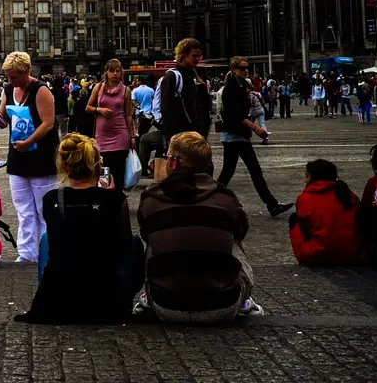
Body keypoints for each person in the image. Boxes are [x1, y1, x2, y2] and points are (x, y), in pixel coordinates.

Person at [14, 134, 142, 324]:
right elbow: (123, 244)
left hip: (57, 296)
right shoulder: (115, 200)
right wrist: (108, 197)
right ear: (97, 166)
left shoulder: (51, 199)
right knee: (135, 242)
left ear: (64, 166)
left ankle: (48, 287)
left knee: (47, 240)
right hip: (105, 296)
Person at [136, 132, 264, 322]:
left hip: (166, 304)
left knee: (153, 241)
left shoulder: (151, 199)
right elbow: (241, 232)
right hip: (223, 305)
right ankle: (243, 298)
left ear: (174, 163)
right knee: (233, 240)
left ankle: (149, 296)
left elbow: (146, 235)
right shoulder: (226, 198)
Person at [0, 52, 60, 263]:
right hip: (18, 156)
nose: (10, 80)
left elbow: (48, 123)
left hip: (41, 156)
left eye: (14, 76)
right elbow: (3, 120)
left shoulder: (41, 90)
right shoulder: (8, 89)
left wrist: (28, 142)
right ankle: (26, 253)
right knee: (23, 210)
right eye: (8, 76)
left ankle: (47, 251)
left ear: (27, 71)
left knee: (44, 210)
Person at [217, 57, 293, 218]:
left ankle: (272, 205)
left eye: (247, 68)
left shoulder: (243, 87)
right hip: (232, 135)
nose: (246, 71)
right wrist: (256, 128)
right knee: (238, 171)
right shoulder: (230, 89)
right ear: (234, 70)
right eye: (242, 68)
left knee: (239, 171)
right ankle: (272, 205)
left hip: (239, 135)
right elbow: (236, 115)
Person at [289, 159, 365, 265]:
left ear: (313, 178)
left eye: (307, 176)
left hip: (318, 254)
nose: (305, 180)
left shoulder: (305, 198)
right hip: (351, 253)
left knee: (294, 220)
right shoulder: (347, 195)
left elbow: (305, 227)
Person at [86, 59, 136, 193]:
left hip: (120, 134)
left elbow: (128, 115)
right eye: (112, 71)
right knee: (103, 170)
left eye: (117, 71)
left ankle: (118, 198)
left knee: (118, 171)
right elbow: (88, 107)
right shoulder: (99, 88)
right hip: (102, 135)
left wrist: (132, 136)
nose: (115, 74)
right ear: (106, 72)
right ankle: (105, 198)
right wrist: (99, 110)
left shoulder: (126, 90)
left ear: (121, 73)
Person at [154, 39, 212, 152]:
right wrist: (172, 137)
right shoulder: (172, 76)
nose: (198, 59)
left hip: (195, 135)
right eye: (194, 56)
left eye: (199, 56)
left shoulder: (195, 77)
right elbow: (166, 109)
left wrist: (203, 131)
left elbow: (202, 107)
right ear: (183, 55)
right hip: (180, 136)